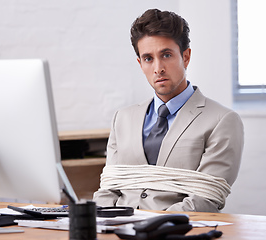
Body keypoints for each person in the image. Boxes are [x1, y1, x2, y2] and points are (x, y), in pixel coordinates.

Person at [93, 9, 244, 212]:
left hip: (176, 231)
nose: (158, 68)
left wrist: (150, 226)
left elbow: (206, 198)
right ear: (140, 64)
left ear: (186, 56)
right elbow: (108, 190)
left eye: (166, 55)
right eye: (148, 58)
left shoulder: (222, 120)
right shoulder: (122, 118)